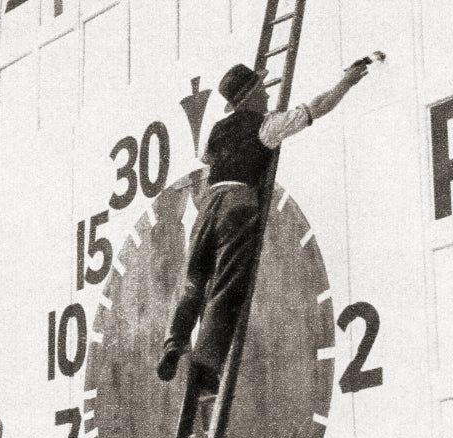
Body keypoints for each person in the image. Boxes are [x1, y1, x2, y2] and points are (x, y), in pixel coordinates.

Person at [156, 59, 370, 393]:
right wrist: (347, 83)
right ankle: (206, 366)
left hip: (208, 205)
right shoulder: (265, 125)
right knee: (227, 285)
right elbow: (317, 107)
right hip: (238, 203)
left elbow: (209, 160)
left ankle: (175, 341)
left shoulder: (216, 131)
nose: (269, 96)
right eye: (262, 91)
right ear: (252, 96)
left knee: (193, 282)